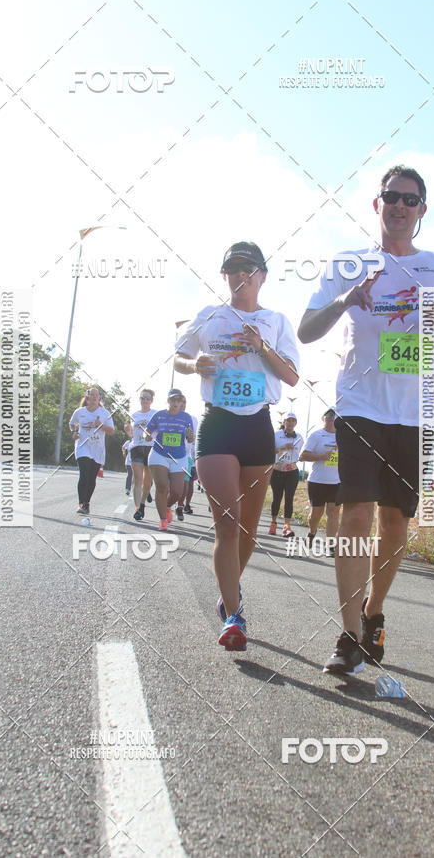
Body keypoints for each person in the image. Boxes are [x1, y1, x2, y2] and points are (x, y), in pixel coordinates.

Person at [298, 165, 434, 675]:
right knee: (355, 511)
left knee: (395, 522)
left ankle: (373, 610)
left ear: (422, 210)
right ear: (376, 204)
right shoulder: (348, 264)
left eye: (410, 199)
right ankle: (348, 635)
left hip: (417, 413)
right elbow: (306, 330)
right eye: (391, 197)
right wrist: (346, 298)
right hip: (360, 405)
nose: (400, 206)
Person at [174, 242, 299, 651]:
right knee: (226, 523)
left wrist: (261, 346)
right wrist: (195, 366)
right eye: (233, 269)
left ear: (263, 276)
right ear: (224, 275)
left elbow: (293, 377)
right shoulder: (209, 316)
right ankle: (233, 615)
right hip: (219, 424)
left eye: (249, 268)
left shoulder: (276, 320)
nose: (240, 275)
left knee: (247, 528)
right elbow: (179, 356)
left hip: (258, 426)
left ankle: (231, 590)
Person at [144, 389, 195, 530]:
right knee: (161, 486)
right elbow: (147, 431)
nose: (176, 403)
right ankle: (163, 520)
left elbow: (191, 438)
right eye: (173, 400)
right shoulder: (159, 415)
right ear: (168, 401)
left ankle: (166, 506)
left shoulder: (186, 417)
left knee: (177, 492)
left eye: (179, 400)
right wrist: (146, 436)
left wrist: (191, 436)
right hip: (159, 455)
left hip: (179, 457)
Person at [299, 408, 341, 553]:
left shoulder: (343, 437)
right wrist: (321, 457)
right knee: (315, 514)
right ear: (323, 418)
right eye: (328, 415)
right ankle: (311, 532)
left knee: (333, 512)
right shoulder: (316, 435)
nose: (331, 418)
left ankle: (330, 545)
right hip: (317, 480)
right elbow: (302, 456)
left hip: (337, 481)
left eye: (334, 416)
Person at [69, 387, 114, 514]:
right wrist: (74, 432)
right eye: (91, 395)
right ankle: (81, 503)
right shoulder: (79, 412)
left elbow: (111, 431)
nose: (94, 397)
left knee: (91, 478)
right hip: (82, 446)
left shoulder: (104, 413)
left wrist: (100, 424)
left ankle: (87, 503)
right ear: (87, 397)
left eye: (96, 395)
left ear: (99, 398)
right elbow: (72, 423)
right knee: (84, 474)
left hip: (97, 449)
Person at [268, 413, 304, 537]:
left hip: (292, 471)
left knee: (289, 499)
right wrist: (283, 447)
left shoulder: (299, 437)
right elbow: (268, 451)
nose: (290, 423)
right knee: (276, 498)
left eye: (293, 420)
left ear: (296, 423)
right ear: (284, 422)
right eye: (288, 420)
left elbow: (298, 454)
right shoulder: (276, 435)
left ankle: (287, 526)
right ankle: (273, 524)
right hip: (277, 471)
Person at [130, 389, 156, 520]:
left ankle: (142, 504)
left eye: (147, 398)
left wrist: (150, 433)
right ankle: (137, 509)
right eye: (142, 398)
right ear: (139, 399)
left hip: (151, 448)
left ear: (151, 400)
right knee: (137, 480)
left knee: (147, 482)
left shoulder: (155, 414)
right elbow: (131, 434)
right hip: (137, 448)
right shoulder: (134, 415)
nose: (145, 400)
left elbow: (160, 429)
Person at [176, 395, 198, 520]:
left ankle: (182, 506)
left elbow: (194, 439)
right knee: (171, 485)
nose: (182, 404)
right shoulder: (169, 417)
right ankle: (168, 506)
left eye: (184, 401)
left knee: (187, 484)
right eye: (179, 401)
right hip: (170, 455)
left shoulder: (193, 419)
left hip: (187, 457)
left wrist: (196, 457)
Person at [121, 421, 133, 495]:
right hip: (128, 462)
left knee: (138, 477)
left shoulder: (138, 442)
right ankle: (127, 489)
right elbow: (123, 447)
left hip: (138, 462)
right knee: (130, 475)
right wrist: (124, 453)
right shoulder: (128, 442)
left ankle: (142, 490)